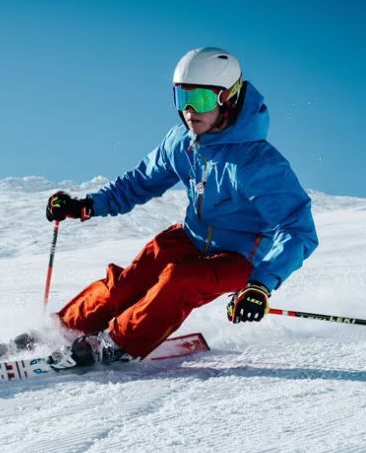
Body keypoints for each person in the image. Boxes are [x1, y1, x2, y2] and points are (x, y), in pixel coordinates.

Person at [44, 47, 318, 367]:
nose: (189, 110)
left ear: (227, 98)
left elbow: (297, 230)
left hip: (243, 257)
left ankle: (116, 344)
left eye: (200, 99)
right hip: (191, 236)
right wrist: (87, 205)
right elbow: (139, 182)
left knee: (180, 279)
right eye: (181, 97)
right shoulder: (181, 142)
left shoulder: (259, 164)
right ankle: (61, 330)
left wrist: (261, 285)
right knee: (131, 280)